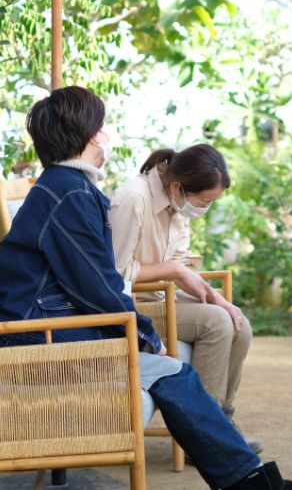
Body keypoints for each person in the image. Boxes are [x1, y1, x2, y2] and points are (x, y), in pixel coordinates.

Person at [0, 86, 292, 490]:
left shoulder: (65, 187)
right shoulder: (69, 191)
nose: (106, 135)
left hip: (40, 330)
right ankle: (254, 484)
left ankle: (252, 482)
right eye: (102, 127)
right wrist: (146, 334)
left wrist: (146, 330)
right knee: (173, 369)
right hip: (33, 341)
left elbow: (88, 283)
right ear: (92, 137)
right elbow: (97, 286)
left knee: (176, 371)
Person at [108, 145, 261, 452]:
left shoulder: (176, 204)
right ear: (178, 186)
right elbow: (113, 273)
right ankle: (206, 439)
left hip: (163, 298)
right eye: (205, 201)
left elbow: (180, 266)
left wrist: (218, 299)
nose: (205, 208)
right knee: (217, 323)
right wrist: (175, 272)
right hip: (132, 306)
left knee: (238, 323)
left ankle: (220, 423)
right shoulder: (133, 198)